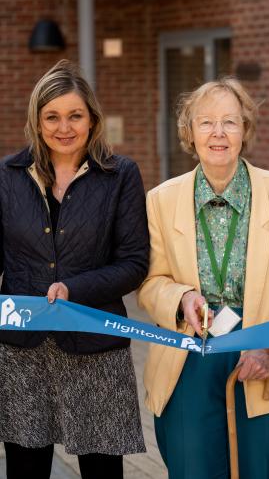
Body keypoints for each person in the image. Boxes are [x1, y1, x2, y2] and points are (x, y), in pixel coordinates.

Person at [137, 77, 269, 479]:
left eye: (230, 121)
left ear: (246, 129)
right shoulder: (160, 199)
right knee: (194, 469)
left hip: (263, 356)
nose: (218, 133)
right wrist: (180, 297)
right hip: (188, 355)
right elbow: (150, 283)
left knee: (262, 467)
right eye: (205, 122)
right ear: (189, 132)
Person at [0, 60, 149, 479]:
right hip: (22, 351)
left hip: (95, 346)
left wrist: (73, 288)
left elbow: (134, 263)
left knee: (102, 471)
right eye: (52, 116)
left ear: (92, 119)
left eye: (75, 116)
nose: (64, 127)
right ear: (36, 120)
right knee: (25, 469)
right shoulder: (8, 176)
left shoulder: (120, 176)